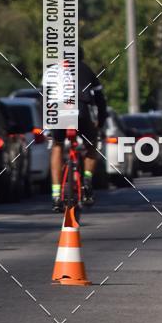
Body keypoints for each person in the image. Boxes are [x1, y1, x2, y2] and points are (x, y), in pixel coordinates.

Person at [50, 45, 107, 211]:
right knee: (92, 144)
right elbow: (100, 100)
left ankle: (55, 194)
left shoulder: (53, 71)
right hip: (80, 112)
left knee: (57, 146)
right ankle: (87, 181)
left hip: (59, 112)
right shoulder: (87, 70)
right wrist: (101, 122)